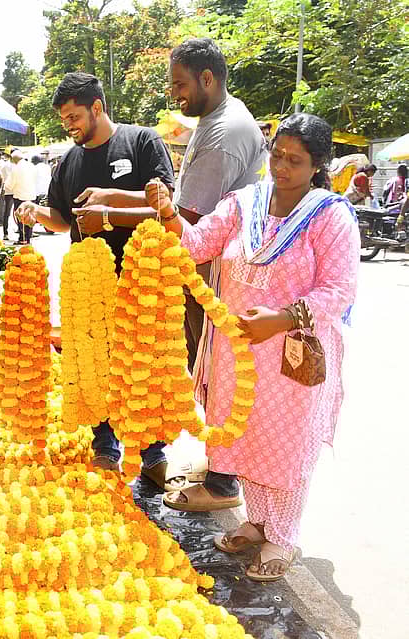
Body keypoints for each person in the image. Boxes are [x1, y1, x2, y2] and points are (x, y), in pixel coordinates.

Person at [144, 113, 359, 581]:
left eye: (294, 161)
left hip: (291, 354)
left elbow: (339, 290)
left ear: (317, 165)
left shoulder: (330, 216)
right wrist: (168, 214)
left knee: (284, 445)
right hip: (237, 349)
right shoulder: (245, 203)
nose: (281, 167)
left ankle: (282, 536)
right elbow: (197, 245)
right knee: (245, 437)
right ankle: (258, 522)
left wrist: (281, 319)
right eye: (276, 155)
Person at [14, 72, 177, 489]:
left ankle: (152, 453)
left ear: (97, 108)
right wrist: (36, 212)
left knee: (145, 367)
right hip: (88, 289)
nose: (68, 125)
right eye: (64, 119)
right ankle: (106, 447)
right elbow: (63, 219)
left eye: (74, 116)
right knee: (94, 365)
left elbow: (165, 205)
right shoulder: (68, 162)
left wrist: (109, 202)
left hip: (142, 281)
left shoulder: (141, 142)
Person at [157, 38, 267, 509]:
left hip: (217, 276)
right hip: (212, 270)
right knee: (210, 372)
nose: (175, 94)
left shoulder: (224, 133)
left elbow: (189, 216)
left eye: (180, 84)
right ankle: (221, 466)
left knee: (219, 374)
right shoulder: (217, 119)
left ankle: (223, 482)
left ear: (207, 78)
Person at [8, 151, 37, 244]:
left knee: (21, 218)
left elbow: (9, 184)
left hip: (20, 196)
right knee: (30, 217)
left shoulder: (16, 168)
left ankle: (22, 238)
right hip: (31, 195)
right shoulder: (31, 166)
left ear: (14, 159)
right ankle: (28, 238)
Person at [0, 151, 15, 240]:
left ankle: (20, 232)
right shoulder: (7, 166)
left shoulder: (14, 165)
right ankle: (6, 233)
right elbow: (8, 179)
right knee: (7, 213)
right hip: (11, 191)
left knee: (9, 213)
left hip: (13, 191)